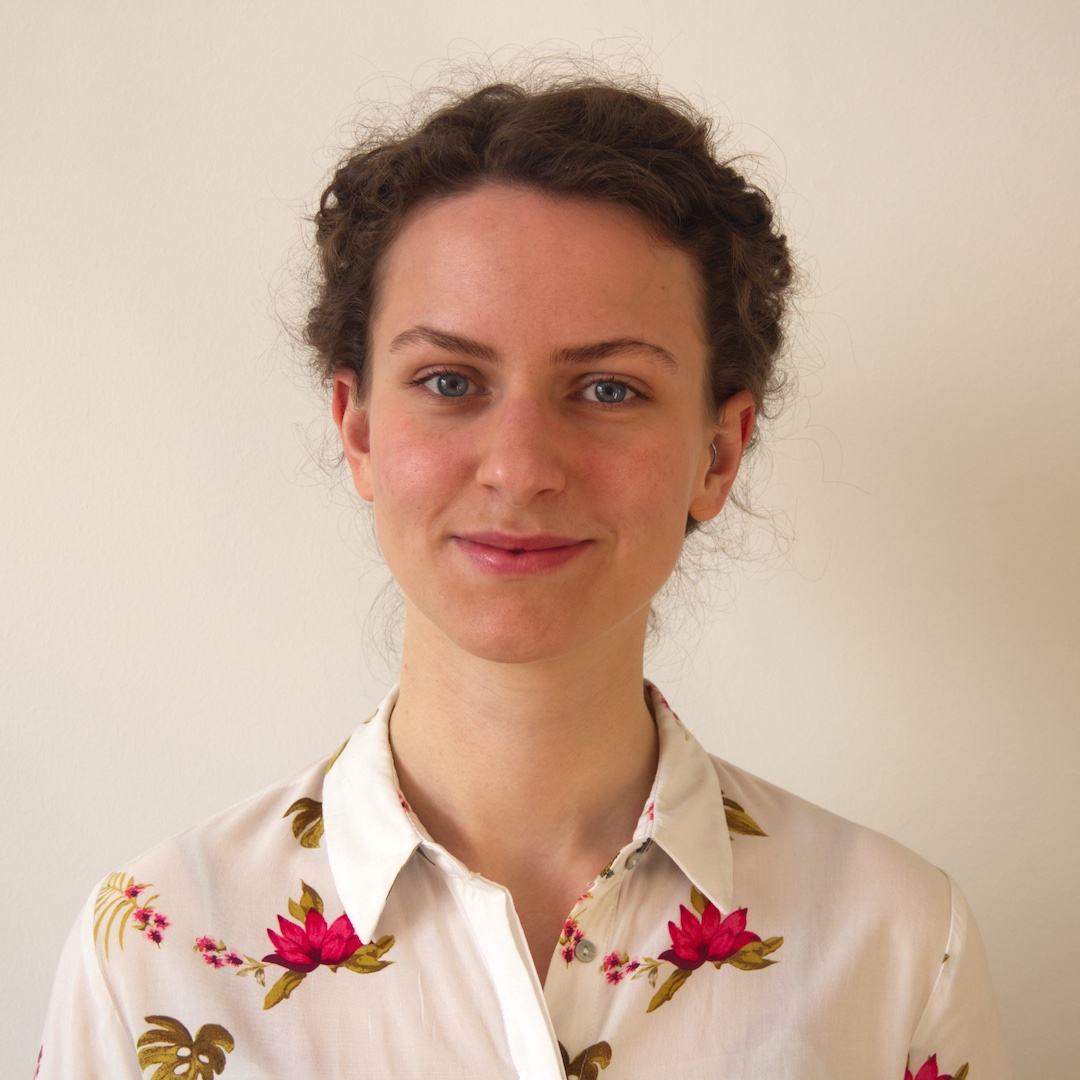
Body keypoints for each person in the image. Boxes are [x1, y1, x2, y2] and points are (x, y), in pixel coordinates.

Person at [36, 75, 1011, 1079]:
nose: (519, 467)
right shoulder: (150, 957)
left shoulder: (898, 945)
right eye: (449, 382)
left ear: (719, 452)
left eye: (608, 389)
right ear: (358, 430)